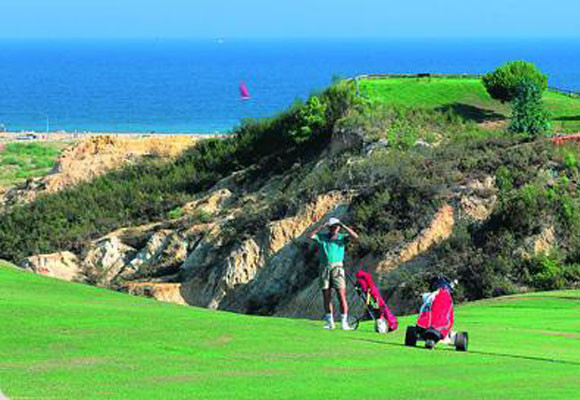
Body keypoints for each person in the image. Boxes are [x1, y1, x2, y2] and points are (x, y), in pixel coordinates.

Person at [310, 217, 359, 330]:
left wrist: (344, 226)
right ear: (329, 227)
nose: (335, 228)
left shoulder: (342, 238)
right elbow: (311, 236)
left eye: (337, 226)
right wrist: (322, 226)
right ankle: (330, 322)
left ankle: (344, 323)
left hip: (337, 268)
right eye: (333, 226)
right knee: (326, 296)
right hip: (324, 267)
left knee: (341, 295)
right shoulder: (322, 237)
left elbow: (355, 237)